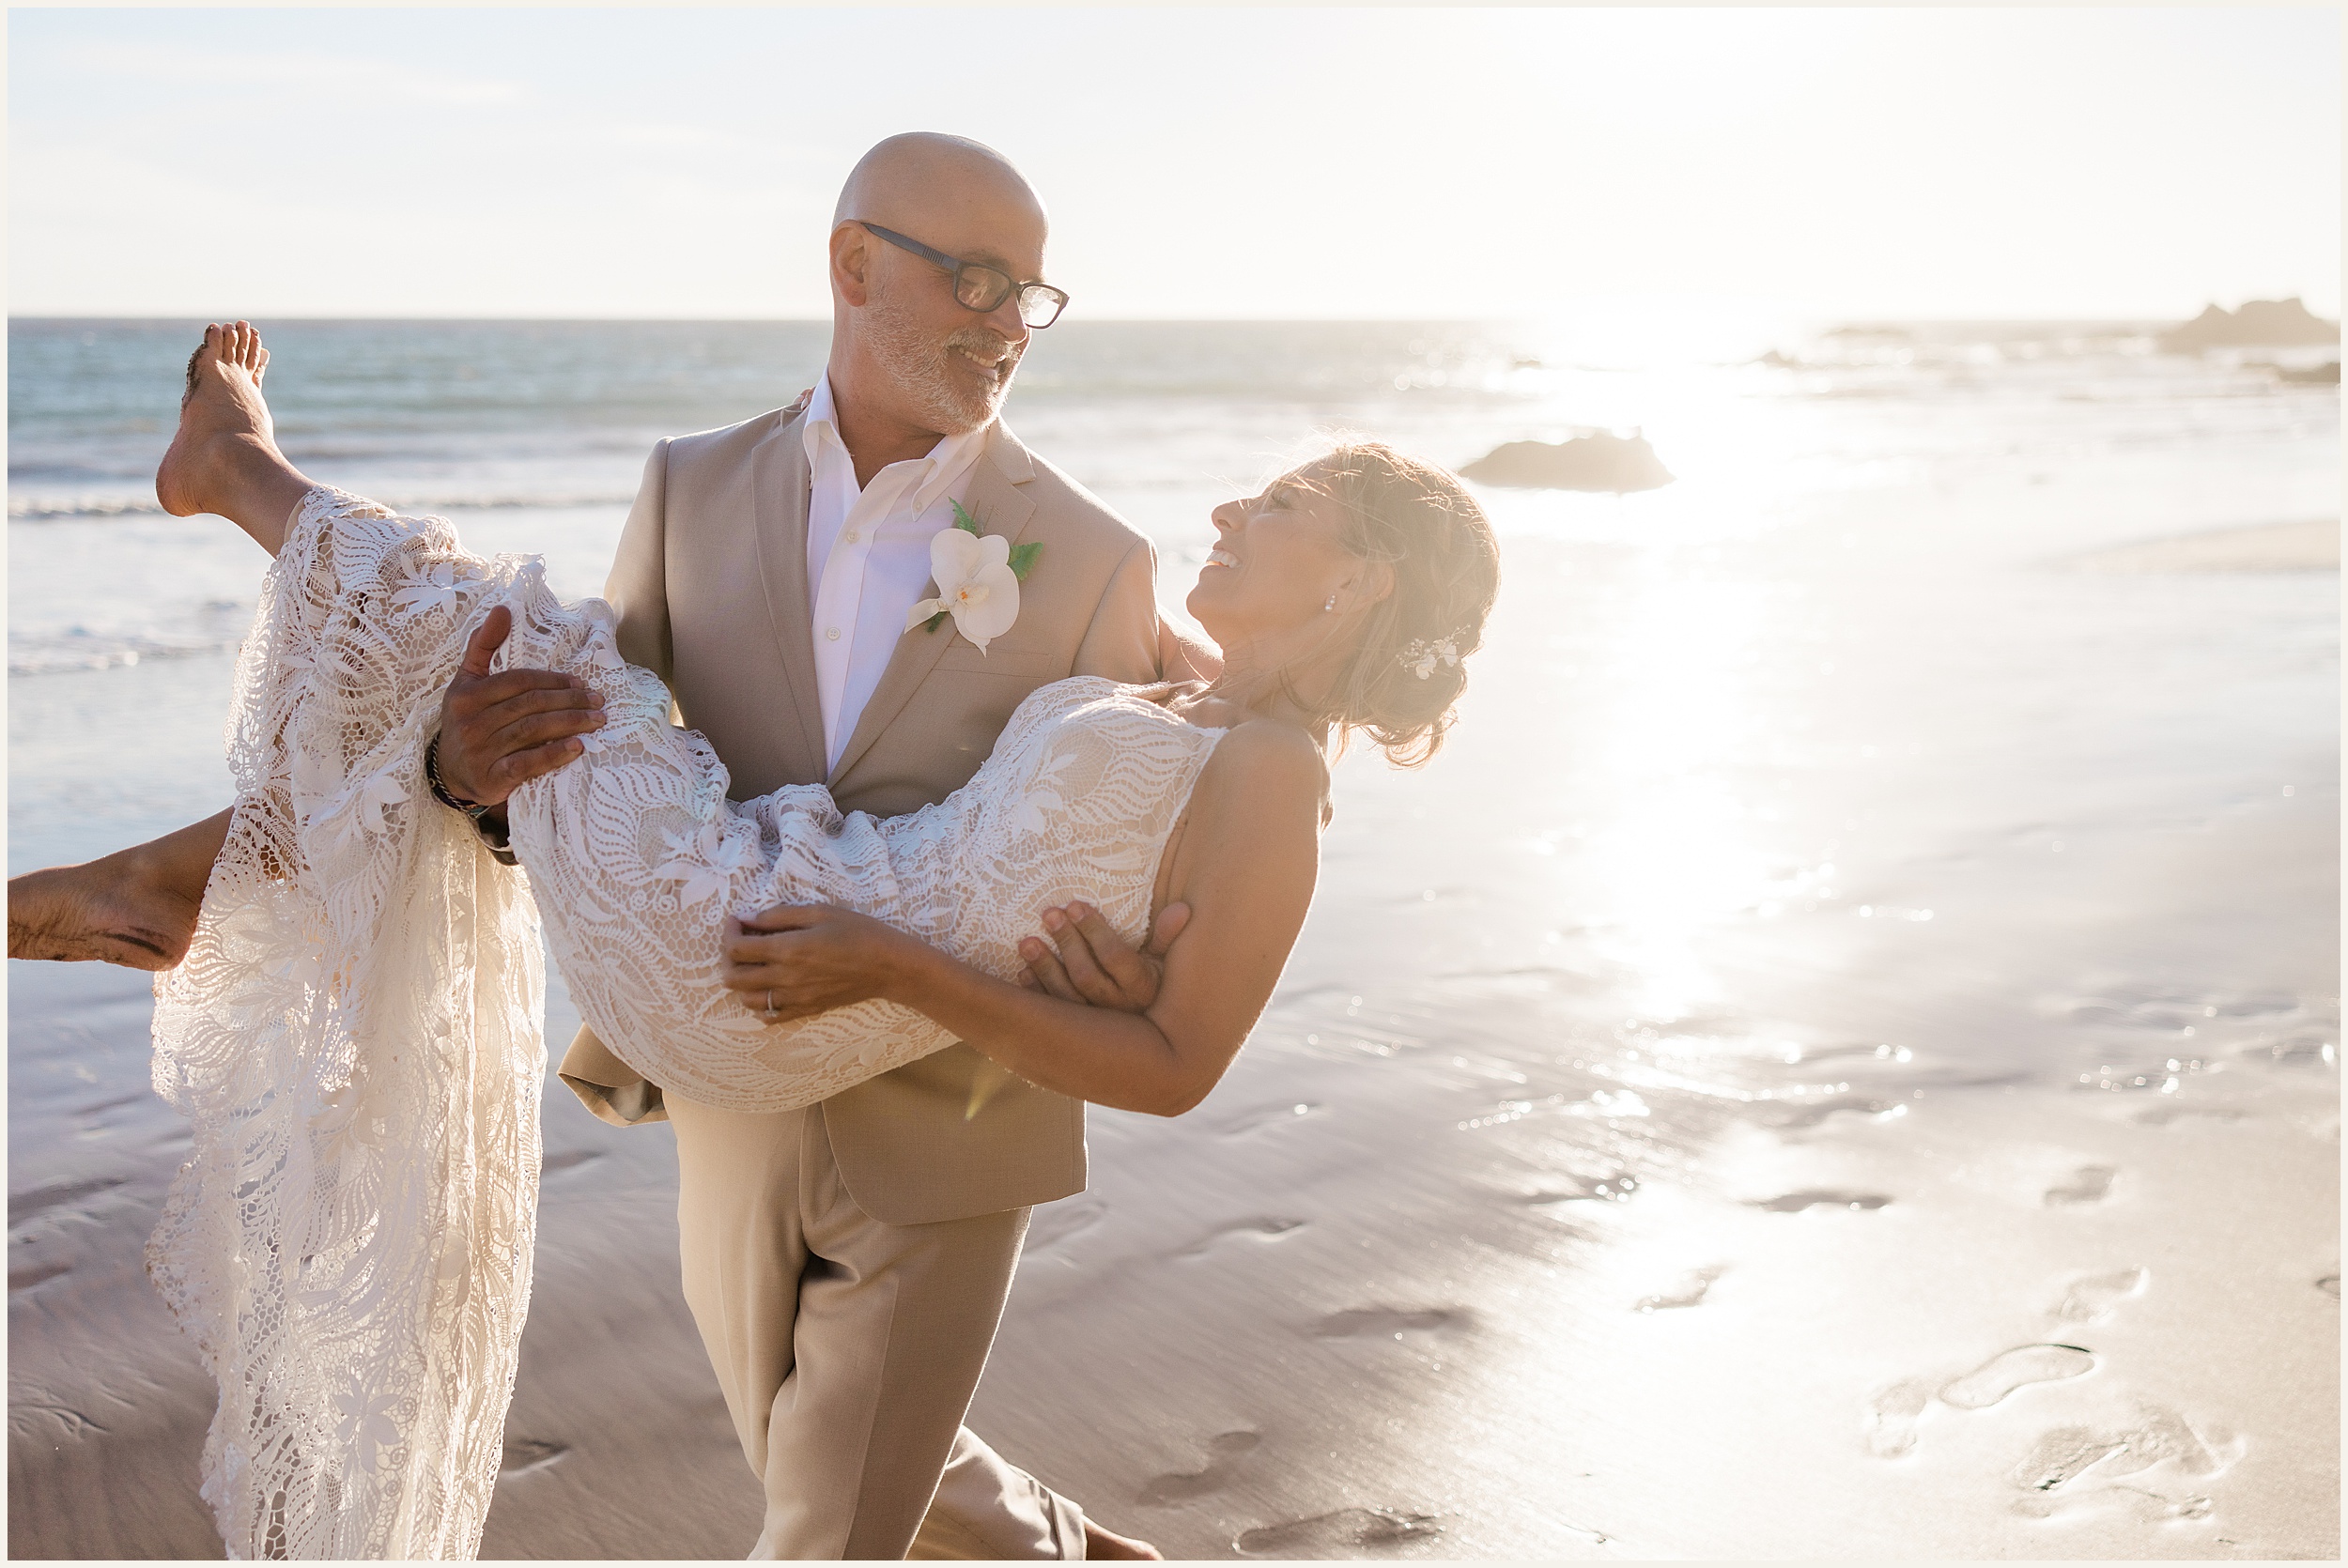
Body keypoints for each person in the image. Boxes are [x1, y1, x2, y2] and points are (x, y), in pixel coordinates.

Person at [8, 153, 1501, 1563]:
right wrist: (464, 770)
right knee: (535, 665)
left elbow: (1187, 978)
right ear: (855, 265)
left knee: (826, 1519)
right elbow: (585, 752)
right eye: (975, 279)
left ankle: (232, 528)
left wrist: (1054, 968)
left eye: (1026, 295)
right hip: (738, 1016)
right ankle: (1051, 1542)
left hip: (932, 1101)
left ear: (1355, 578)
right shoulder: (695, 488)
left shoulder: (1105, 561)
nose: (1007, 324)